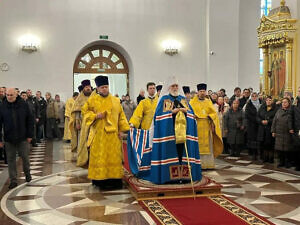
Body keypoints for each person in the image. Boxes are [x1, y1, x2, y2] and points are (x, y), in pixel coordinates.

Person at [128, 76, 201, 184]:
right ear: (169, 87)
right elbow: (159, 117)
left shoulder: (183, 99)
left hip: (182, 135)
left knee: (182, 155)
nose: (175, 88)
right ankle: (169, 177)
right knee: (171, 155)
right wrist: (172, 112)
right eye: (173, 86)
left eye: (176, 86)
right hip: (169, 136)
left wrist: (186, 112)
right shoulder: (164, 99)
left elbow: (191, 115)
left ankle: (184, 176)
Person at [80, 76, 129, 189]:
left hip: (113, 136)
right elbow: (85, 113)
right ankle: (99, 181)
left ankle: (115, 181)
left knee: (114, 158)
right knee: (100, 158)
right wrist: (95, 116)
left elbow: (121, 116)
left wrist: (122, 130)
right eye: (102, 87)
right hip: (99, 136)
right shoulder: (92, 100)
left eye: (106, 87)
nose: (105, 89)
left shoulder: (116, 100)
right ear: (97, 88)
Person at [0, 88, 33, 189]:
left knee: (25, 157)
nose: (9, 97)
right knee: (11, 160)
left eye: (11, 95)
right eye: (7, 95)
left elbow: (30, 119)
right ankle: (13, 180)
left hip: (22, 137)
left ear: (16, 95)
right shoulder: (2, 106)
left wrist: (30, 135)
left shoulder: (23, 104)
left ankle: (27, 174)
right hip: (9, 138)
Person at [190, 83, 223, 169]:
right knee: (198, 146)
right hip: (197, 127)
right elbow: (190, 113)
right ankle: (198, 165)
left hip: (206, 127)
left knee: (208, 146)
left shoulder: (208, 101)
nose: (202, 93)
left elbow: (214, 114)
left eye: (204, 91)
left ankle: (208, 164)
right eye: (200, 91)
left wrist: (210, 117)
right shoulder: (192, 102)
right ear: (198, 92)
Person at [69, 80, 92, 152]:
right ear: (83, 88)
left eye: (89, 87)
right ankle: (82, 153)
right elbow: (76, 112)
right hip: (82, 122)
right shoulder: (79, 99)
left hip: (93, 122)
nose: (88, 88)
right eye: (86, 87)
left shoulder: (94, 97)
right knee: (83, 139)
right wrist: (77, 123)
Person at [271, 97, 294, 168]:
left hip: (288, 133)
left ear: (289, 103)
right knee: (280, 149)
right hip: (279, 132)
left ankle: (287, 163)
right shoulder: (279, 111)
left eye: (285, 102)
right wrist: (273, 131)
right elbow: (274, 121)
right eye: (282, 102)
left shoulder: (291, 111)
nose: (283, 104)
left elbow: (294, 121)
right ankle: (281, 162)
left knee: (287, 149)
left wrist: (292, 128)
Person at [257, 96, 277, 163]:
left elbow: (276, 119)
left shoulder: (275, 109)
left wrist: (268, 121)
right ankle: (263, 158)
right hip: (262, 129)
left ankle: (270, 158)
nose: (268, 101)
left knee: (270, 144)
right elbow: (257, 117)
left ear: (272, 101)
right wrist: (261, 121)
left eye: (270, 100)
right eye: (267, 100)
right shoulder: (262, 108)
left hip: (270, 129)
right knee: (262, 144)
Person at [245, 92, 261, 160]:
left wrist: (259, 120)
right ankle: (252, 153)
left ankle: (257, 153)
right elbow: (247, 114)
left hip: (259, 125)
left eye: (255, 96)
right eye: (253, 96)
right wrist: (256, 119)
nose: (254, 97)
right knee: (252, 139)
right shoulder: (248, 105)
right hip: (251, 124)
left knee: (258, 139)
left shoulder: (260, 104)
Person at [290, 87, 300, 170]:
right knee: (296, 147)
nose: (299, 92)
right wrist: (291, 127)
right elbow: (290, 116)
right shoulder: (295, 103)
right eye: (299, 91)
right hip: (296, 128)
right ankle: (297, 164)